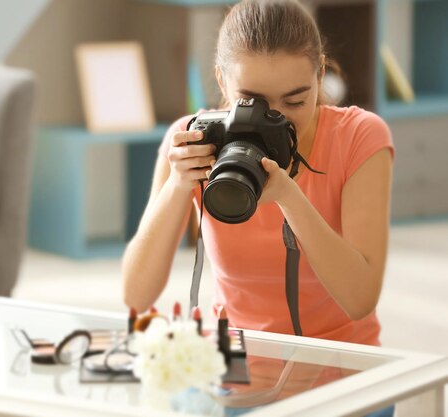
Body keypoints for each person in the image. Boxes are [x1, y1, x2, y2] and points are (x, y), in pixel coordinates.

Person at [122, 0, 394, 348]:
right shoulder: (193, 139)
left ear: (320, 75)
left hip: (342, 365)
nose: (276, 121)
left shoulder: (359, 137)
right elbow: (135, 294)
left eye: (295, 102)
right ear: (222, 80)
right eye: (254, 103)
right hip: (239, 366)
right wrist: (178, 185)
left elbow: (359, 301)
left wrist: (289, 197)